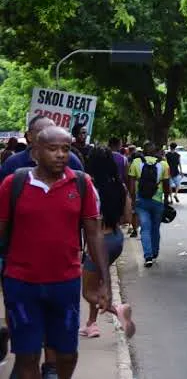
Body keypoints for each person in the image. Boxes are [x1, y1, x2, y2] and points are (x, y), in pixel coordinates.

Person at [0, 126, 111, 379]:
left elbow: (94, 234)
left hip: (65, 284)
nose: (61, 155)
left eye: (65, 149)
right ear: (35, 152)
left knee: (67, 355)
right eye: (52, 149)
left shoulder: (82, 183)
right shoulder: (13, 184)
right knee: (27, 357)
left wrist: (104, 280)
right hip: (21, 285)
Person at [79, 147, 135, 340]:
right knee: (99, 282)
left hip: (99, 242)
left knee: (88, 291)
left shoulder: (89, 187)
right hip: (116, 239)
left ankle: (117, 310)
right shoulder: (120, 186)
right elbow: (128, 217)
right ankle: (91, 324)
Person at [0, 116, 85, 182]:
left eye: (52, 132)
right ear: (30, 136)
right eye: (43, 132)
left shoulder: (71, 161)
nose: (49, 136)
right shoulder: (13, 163)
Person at [128, 142, 170, 268]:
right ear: (155, 151)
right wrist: (166, 199)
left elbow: (131, 185)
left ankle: (148, 256)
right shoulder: (163, 164)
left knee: (145, 228)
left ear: (144, 152)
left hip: (141, 201)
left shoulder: (136, 162)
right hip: (157, 201)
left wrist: (133, 201)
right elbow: (167, 185)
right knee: (155, 228)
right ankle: (155, 252)